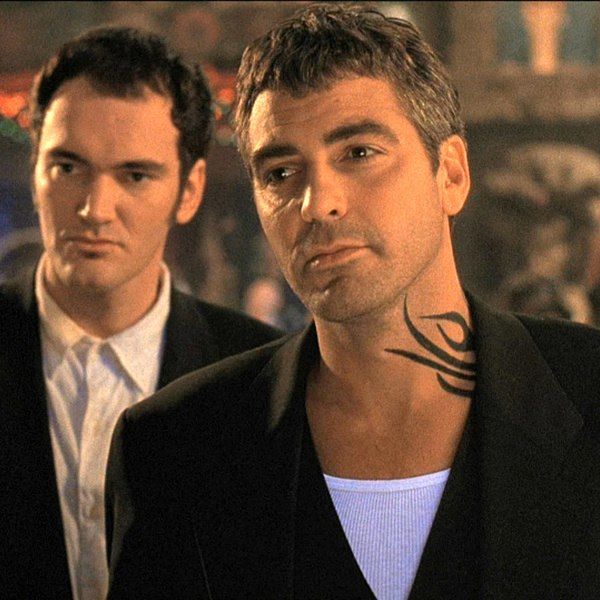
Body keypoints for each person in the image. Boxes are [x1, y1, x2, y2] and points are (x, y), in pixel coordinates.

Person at [106, 5, 600, 599]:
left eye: (359, 153)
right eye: (280, 172)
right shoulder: (176, 448)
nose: (318, 203)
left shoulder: (586, 389)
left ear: (451, 174)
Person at [0, 27, 282, 600]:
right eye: (68, 167)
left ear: (189, 190)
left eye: (134, 175)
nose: (95, 209)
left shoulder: (261, 376)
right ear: (35, 172)